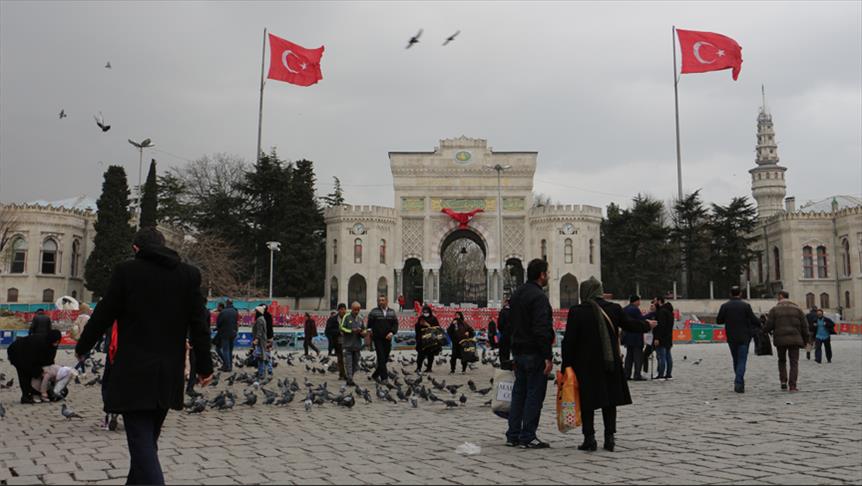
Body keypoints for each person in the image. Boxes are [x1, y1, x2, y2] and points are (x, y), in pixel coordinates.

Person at [74, 227, 213, 486]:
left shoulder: (127, 271)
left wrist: (83, 346)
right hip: (167, 374)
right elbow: (199, 325)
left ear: (136, 249)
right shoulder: (188, 275)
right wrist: (205, 366)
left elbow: (104, 313)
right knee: (146, 444)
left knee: (142, 446)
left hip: (134, 373)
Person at [563, 277, 657, 452]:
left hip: (585, 365)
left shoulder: (577, 311)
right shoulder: (613, 309)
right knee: (609, 400)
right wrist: (646, 325)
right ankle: (609, 438)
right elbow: (630, 325)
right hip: (610, 362)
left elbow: (569, 342)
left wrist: (566, 367)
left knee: (587, 402)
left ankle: (589, 438)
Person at [506, 259, 555, 449]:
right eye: (547, 273)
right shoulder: (539, 297)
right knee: (534, 394)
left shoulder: (517, 295)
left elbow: (509, 325)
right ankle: (528, 436)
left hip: (518, 351)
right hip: (534, 353)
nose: (548, 276)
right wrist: (547, 356)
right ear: (541, 275)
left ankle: (513, 434)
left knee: (519, 394)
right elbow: (541, 329)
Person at [716, 286, 760, 393]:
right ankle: (739, 382)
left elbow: (719, 320)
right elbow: (753, 319)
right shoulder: (745, 306)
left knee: (736, 360)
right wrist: (761, 322)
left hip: (731, 337)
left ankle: (739, 380)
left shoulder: (725, 306)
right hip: (744, 337)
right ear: (740, 294)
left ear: (730, 294)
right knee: (742, 360)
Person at [764, 291, 810, 392]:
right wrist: (806, 340)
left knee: (782, 361)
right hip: (795, 339)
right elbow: (805, 326)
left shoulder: (774, 310)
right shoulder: (798, 309)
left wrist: (764, 331)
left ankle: (783, 381)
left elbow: (768, 325)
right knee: (794, 362)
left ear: (781, 296)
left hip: (780, 340)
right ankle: (792, 385)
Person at [6, 330, 62, 403]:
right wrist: (39, 371)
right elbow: (30, 362)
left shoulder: (51, 345)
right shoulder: (39, 344)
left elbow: (49, 361)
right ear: (51, 339)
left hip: (29, 354)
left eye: (58, 342)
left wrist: (51, 372)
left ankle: (38, 393)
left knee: (39, 373)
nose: (56, 344)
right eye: (55, 342)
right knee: (25, 374)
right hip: (17, 352)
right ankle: (26, 396)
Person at [367, 295, 399, 382]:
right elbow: (369, 325)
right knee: (381, 356)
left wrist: (392, 332)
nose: (381, 302)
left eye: (383, 300)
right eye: (379, 300)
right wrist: (369, 336)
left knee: (385, 358)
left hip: (388, 338)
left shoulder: (392, 312)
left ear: (387, 301)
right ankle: (384, 378)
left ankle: (375, 375)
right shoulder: (374, 312)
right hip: (377, 338)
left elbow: (395, 324)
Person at [622, 295, 652, 381]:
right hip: (636, 336)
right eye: (639, 301)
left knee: (629, 356)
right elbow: (641, 320)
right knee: (638, 357)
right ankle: (637, 374)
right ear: (636, 301)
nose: (639, 303)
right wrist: (650, 316)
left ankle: (627, 374)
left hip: (627, 336)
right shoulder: (635, 309)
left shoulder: (625, 309)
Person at [340, 302, 366, 386]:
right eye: (355, 309)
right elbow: (341, 327)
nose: (356, 311)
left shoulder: (360, 318)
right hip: (348, 345)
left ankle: (350, 378)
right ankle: (350, 379)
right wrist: (351, 330)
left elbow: (363, 329)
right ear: (351, 309)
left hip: (357, 346)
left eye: (358, 309)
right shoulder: (346, 317)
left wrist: (363, 333)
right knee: (349, 364)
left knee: (356, 365)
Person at [652, 296, 675, 380]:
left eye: (655, 301)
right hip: (668, 337)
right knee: (668, 356)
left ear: (659, 301)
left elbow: (660, 326)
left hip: (661, 338)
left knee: (661, 356)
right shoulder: (669, 311)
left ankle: (660, 374)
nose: (653, 303)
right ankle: (668, 374)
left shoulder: (661, 312)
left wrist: (657, 338)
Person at [415, 305, 441, 373]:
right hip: (422, 340)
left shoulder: (433, 318)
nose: (425, 313)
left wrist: (428, 325)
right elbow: (417, 328)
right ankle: (418, 368)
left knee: (430, 354)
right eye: (424, 312)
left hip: (430, 340)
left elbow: (437, 328)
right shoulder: (421, 318)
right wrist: (419, 325)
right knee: (420, 355)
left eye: (427, 312)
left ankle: (429, 368)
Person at [215, 300, 239, 372]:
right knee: (230, 350)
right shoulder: (235, 311)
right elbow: (236, 322)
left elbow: (219, 323)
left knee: (225, 350)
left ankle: (227, 366)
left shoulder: (223, 312)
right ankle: (230, 366)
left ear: (226, 303)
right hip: (233, 333)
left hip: (224, 333)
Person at [326, 305, 347, 379]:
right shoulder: (332, 319)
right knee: (340, 358)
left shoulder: (348, 318)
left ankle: (345, 374)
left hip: (348, 340)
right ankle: (342, 374)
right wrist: (339, 331)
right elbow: (328, 330)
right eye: (341, 309)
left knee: (347, 358)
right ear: (338, 310)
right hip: (337, 340)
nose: (343, 311)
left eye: (344, 309)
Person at [71, 303, 92, 374]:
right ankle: (76, 368)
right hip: (87, 338)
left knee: (81, 354)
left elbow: (75, 327)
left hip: (79, 338)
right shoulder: (88, 318)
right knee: (86, 355)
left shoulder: (79, 317)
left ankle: (83, 371)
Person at [252, 305, 269, 379]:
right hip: (261, 340)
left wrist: (256, 339)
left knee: (260, 357)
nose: (255, 313)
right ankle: (261, 372)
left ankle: (261, 373)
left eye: (256, 311)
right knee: (260, 357)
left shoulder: (259, 320)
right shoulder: (262, 318)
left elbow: (259, 331)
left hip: (260, 341)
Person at [497, 297, 512, 370]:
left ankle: (504, 365)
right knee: (509, 350)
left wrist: (502, 331)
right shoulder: (514, 311)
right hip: (512, 334)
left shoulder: (503, 311)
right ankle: (509, 364)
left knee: (503, 350)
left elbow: (500, 324)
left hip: (505, 334)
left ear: (506, 303)